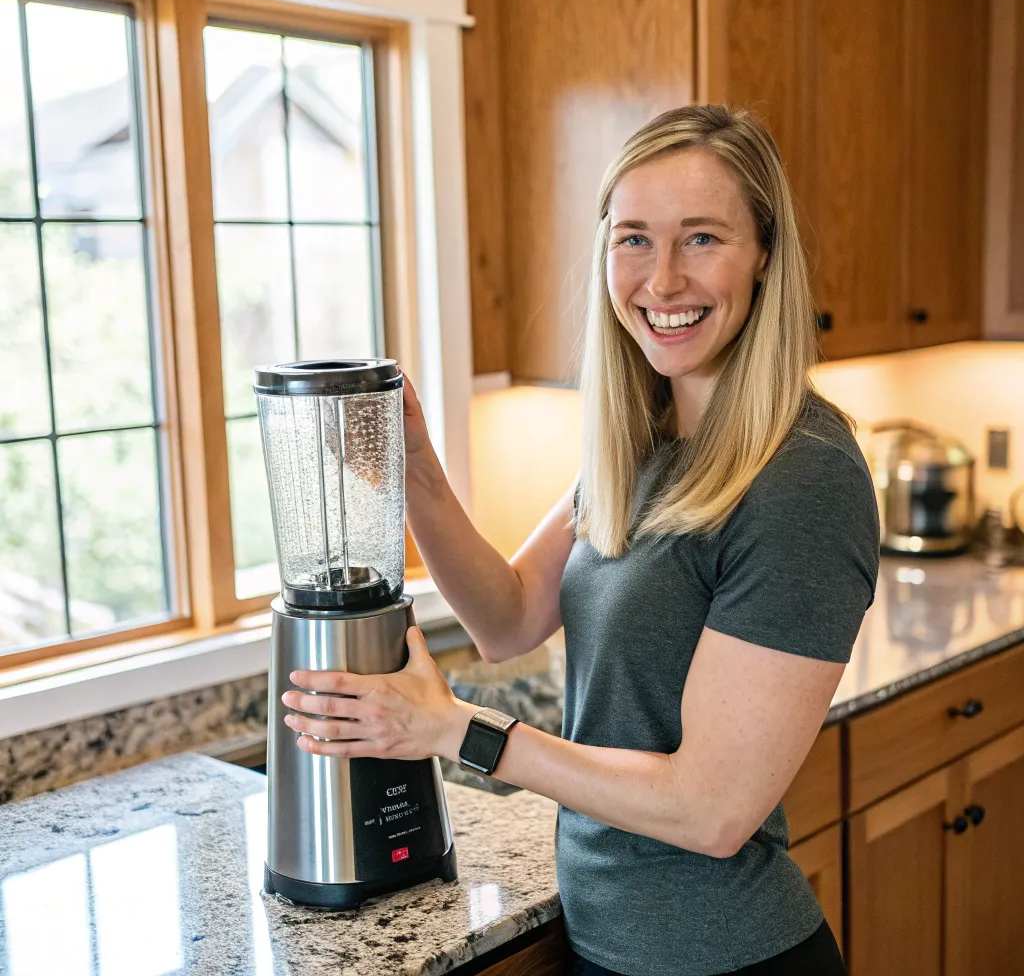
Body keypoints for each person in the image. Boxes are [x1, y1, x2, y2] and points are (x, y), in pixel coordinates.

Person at [280, 105, 879, 976]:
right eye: (634, 238)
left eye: (702, 238)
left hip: (727, 957)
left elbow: (713, 810)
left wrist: (457, 730)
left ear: (766, 258)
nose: (662, 279)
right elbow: (509, 617)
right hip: (609, 946)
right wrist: (413, 466)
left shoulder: (804, 475)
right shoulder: (644, 439)